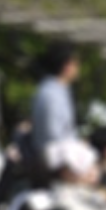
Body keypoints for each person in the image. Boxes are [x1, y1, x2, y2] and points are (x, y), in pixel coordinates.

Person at [28, 43, 81, 176]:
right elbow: (53, 135)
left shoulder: (57, 91)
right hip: (56, 162)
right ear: (67, 66)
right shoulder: (51, 94)